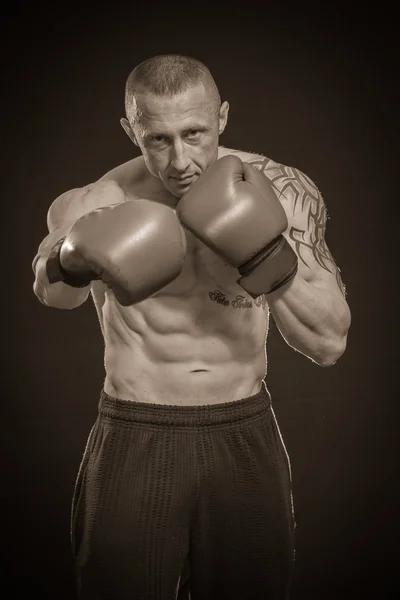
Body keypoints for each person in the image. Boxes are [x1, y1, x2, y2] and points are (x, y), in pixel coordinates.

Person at [32, 54, 351, 600]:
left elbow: (328, 341)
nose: (181, 159)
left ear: (222, 117)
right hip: (136, 432)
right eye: (158, 139)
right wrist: (72, 258)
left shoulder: (281, 189)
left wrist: (266, 256)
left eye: (195, 133)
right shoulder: (98, 200)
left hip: (243, 432)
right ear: (131, 131)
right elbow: (52, 292)